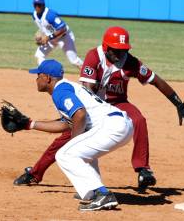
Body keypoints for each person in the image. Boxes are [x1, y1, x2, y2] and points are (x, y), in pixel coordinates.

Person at [13, 26, 184, 193]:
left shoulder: (130, 62)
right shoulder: (94, 56)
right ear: (106, 47)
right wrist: (89, 120)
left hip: (118, 104)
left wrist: (178, 103)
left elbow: (156, 80)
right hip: (93, 107)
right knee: (66, 138)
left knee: (139, 119)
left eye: (124, 50)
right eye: (116, 50)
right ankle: (35, 173)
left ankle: (143, 169)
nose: (121, 54)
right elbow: (86, 89)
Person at [25, 59, 134, 211]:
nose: (36, 79)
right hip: (119, 124)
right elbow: (67, 123)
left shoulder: (60, 91)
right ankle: (91, 191)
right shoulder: (66, 88)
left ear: (47, 78)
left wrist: (73, 142)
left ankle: (101, 194)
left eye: (38, 75)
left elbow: (80, 115)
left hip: (111, 126)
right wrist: (29, 124)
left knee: (65, 154)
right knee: (82, 153)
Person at [31, 0, 83, 68]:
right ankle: (48, 75)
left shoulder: (50, 15)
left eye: (39, 5)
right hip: (51, 39)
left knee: (74, 61)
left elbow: (63, 28)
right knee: (39, 55)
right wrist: (41, 37)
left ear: (43, 5)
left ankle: (90, 75)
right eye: (35, 5)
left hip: (64, 37)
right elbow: (45, 28)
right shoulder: (34, 15)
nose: (37, 7)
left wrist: (48, 38)